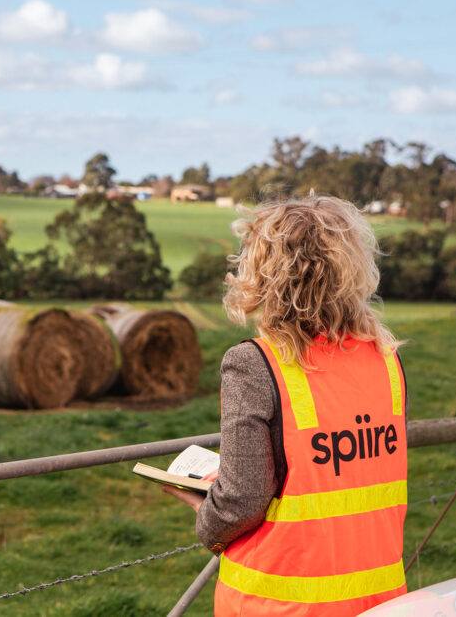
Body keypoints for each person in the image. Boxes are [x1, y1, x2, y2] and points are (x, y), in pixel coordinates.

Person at [164, 195, 408, 616]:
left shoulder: (253, 363)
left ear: (262, 273)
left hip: (278, 606)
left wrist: (207, 513)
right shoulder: (385, 359)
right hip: (381, 604)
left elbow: (241, 499)